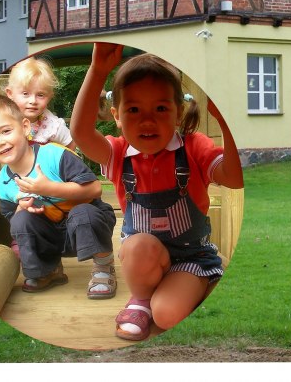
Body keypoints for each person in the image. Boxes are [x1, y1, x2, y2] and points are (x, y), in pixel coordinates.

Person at [70, 43, 244, 341]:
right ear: (117, 115)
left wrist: (229, 124)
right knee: (138, 245)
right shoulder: (118, 153)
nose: (147, 120)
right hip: (144, 260)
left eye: (161, 108)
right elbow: (81, 134)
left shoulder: (194, 147)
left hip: (191, 258)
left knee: (165, 316)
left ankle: (197, 284)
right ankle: (139, 299)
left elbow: (234, 177)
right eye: (134, 109)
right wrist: (98, 70)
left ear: (178, 113)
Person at [0, 94, 118, 298]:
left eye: (5, 131)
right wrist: (22, 208)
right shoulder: (3, 182)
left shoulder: (54, 155)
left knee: (84, 212)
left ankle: (103, 266)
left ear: (24, 127)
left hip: (87, 226)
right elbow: (12, 220)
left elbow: (94, 189)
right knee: (21, 220)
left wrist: (47, 189)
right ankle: (48, 270)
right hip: (50, 234)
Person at [4, 56, 76, 150]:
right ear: (10, 93)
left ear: (49, 96)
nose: (33, 101)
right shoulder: (5, 117)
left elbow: (70, 143)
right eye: (25, 94)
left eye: (40, 95)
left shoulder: (52, 125)